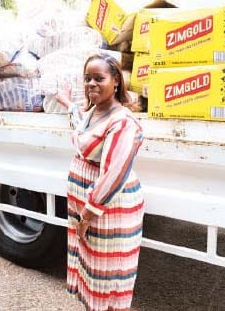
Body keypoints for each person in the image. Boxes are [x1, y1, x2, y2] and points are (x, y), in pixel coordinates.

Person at [55, 53, 145, 311]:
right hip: (90, 210)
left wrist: (86, 216)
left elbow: (113, 175)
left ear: (116, 81)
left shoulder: (123, 122)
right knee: (92, 272)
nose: (91, 84)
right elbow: (81, 125)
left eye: (99, 78)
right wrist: (65, 101)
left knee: (108, 277)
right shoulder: (93, 112)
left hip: (107, 211)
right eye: (87, 79)